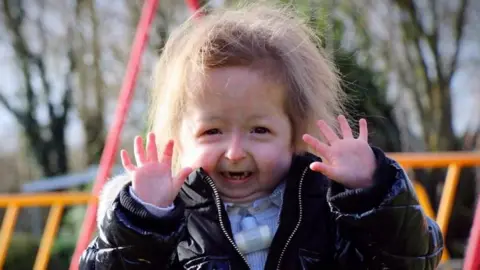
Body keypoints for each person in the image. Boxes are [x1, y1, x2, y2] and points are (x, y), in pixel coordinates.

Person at [79, 2, 443, 269]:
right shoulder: (169, 218)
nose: (235, 152)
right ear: (180, 138)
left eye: (259, 130)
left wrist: (371, 194)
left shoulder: (328, 205)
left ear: (295, 134)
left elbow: (413, 260)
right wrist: (142, 221)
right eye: (212, 131)